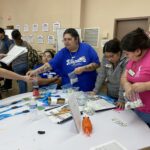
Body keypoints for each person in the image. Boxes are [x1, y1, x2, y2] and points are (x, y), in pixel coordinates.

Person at [27, 28, 100, 91]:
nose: (66, 42)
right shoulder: (62, 53)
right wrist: (34, 72)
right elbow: (49, 65)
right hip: (70, 90)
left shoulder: (87, 48)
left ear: (76, 39)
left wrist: (83, 68)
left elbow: (97, 64)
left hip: (88, 89)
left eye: (69, 39)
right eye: (64, 40)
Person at [121, 28, 150, 126]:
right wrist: (127, 85)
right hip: (137, 107)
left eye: (127, 53)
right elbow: (124, 77)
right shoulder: (133, 59)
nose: (125, 56)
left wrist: (146, 86)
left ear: (137, 51)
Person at [93, 39, 127, 108]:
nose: (109, 59)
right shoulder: (105, 58)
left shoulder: (126, 60)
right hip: (111, 92)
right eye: (106, 56)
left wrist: (121, 99)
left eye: (111, 56)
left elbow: (124, 81)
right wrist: (95, 91)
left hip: (124, 95)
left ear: (119, 53)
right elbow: (101, 75)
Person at [10, 29, 31, 94]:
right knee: (24, 79)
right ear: (20, 36)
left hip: (16, 66)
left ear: (13, 38)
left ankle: (23, 94)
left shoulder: (12, 46)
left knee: (21, 80)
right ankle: (25, 93)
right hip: (26, 65)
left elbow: (10, 57)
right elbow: (31, 51)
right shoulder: (26, 43)